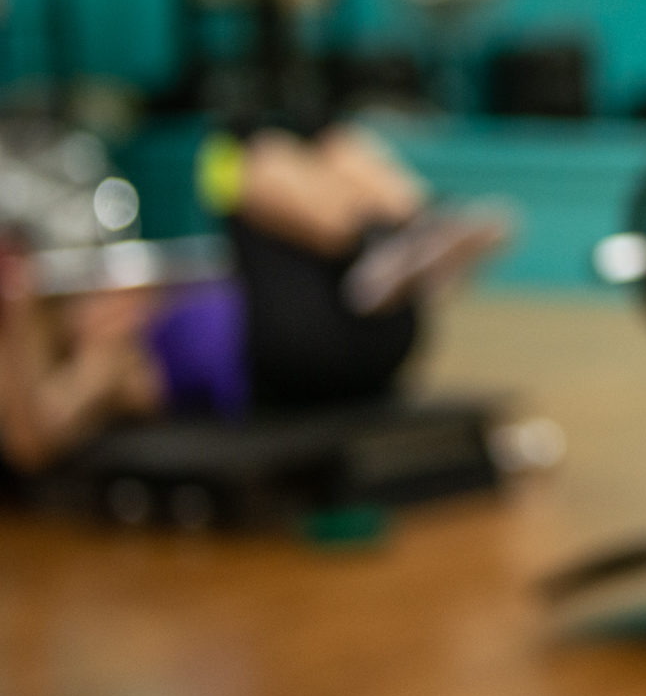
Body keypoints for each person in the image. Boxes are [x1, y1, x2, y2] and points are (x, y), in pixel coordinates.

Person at [0, 123, 509, 474]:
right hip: (288, 353)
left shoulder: (146, 292)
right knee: (237, 155)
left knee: (326, 142)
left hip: (367, 333)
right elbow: (34, 442)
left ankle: (413, 224)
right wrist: (16, 319)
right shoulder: (115, 361)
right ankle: (388, 237)